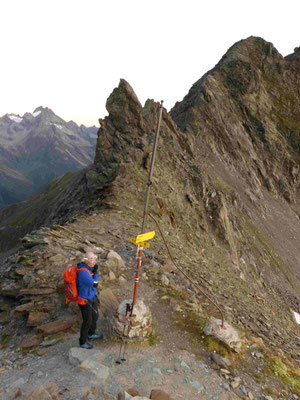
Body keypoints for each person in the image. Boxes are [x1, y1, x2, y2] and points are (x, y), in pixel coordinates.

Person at [77, 251, 103, 349]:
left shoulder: (88, 269)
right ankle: (82, 341)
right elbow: (95, 284)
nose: (94, 260)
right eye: (92, 258)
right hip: (85, 300)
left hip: (91, 297)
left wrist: (93, 271)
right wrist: (95, 273)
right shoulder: (83, 272)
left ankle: (91, 333)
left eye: (94, 257)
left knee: (95, 316)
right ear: (87, 260)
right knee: (87, 320)